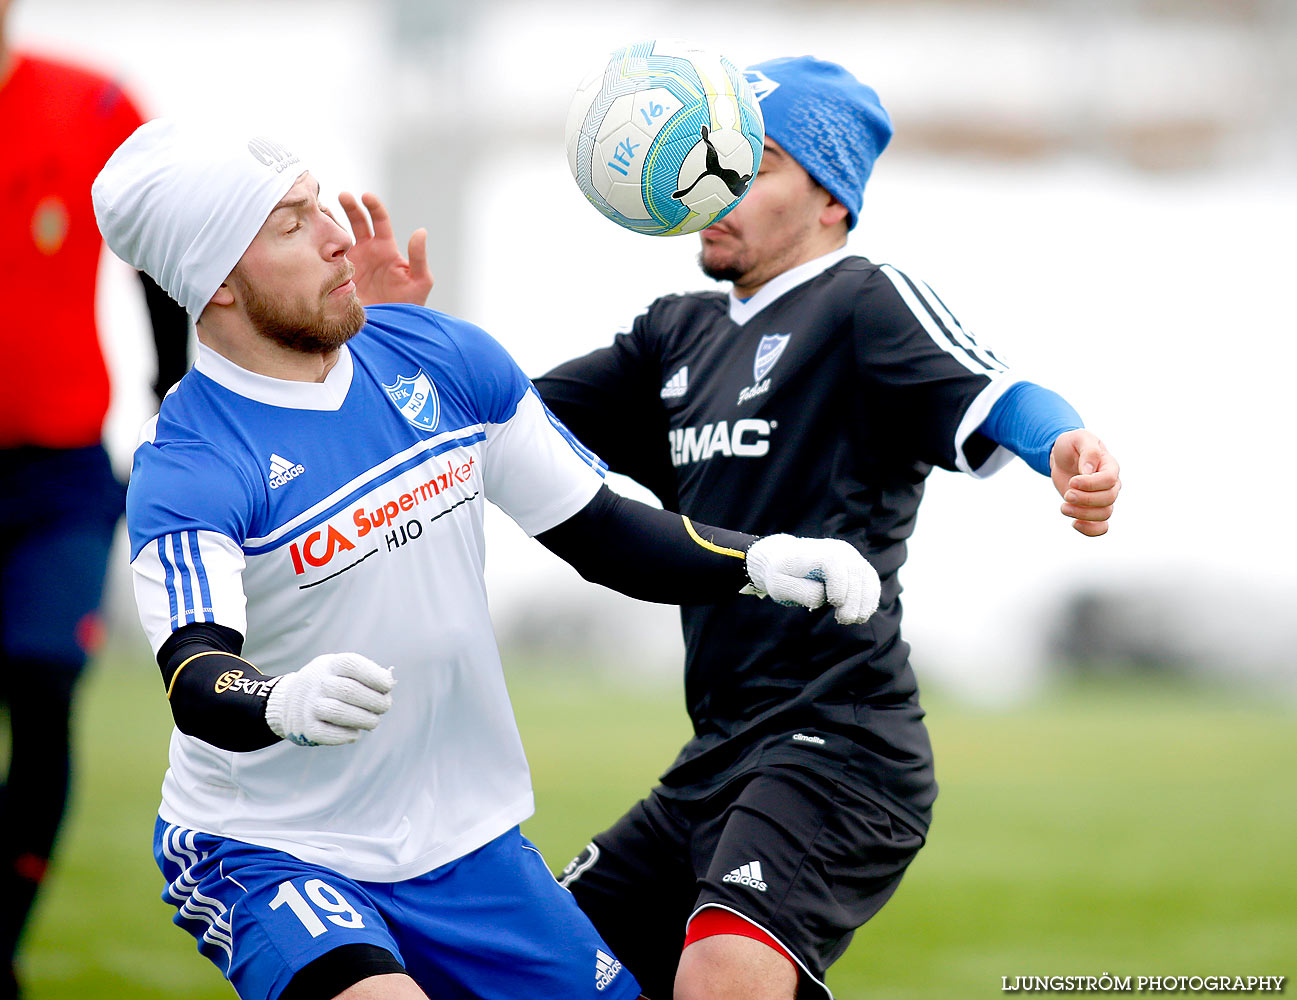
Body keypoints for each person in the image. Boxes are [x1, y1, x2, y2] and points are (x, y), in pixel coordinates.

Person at [90, 117, 886, 1000]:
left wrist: (757, 561)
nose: (334, 236)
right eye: (289, 225)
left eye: (319, 204)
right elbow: (195, 670)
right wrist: (278, 701)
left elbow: (599, 530)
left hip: (467, 845)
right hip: (271, 851)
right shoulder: (190, 461)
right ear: (219, 286)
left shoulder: (443, 358)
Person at [522, 56, 1122, 1000]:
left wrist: (1067, 445)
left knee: (722, 973)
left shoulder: (859, 302)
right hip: (712, 755)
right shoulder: (671, 332)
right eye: (706, 156)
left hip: (841, 744)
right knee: (534, 967)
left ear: (830, 197)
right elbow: (500, 419)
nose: (710, 183)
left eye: (751, 166)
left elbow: (1000, 391)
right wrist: (402, 334)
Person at [0, 5, 190, 996]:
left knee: (38, 691)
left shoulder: (93, 103)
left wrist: (177, 392)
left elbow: (160, 244)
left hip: (59, 473)